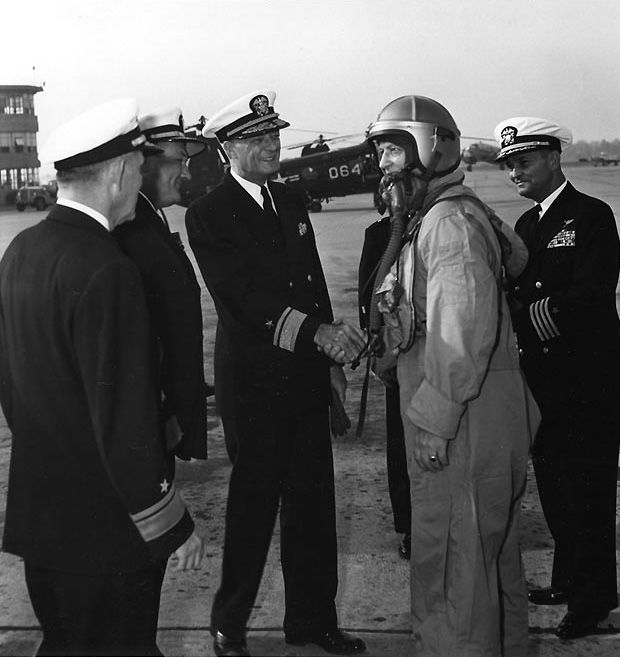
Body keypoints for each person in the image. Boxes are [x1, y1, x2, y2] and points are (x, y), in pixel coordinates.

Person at [0, 99, 204, 657]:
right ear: (117, 173)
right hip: (107, 529)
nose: (142, 176)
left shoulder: (22, 250)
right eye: (139, 166)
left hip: (44, 522)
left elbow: (13, 388)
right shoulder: (108, 269)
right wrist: (168, 521)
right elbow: (124, 418)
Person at [185, 89, 367, 657]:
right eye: (257, 139)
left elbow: (311, 285)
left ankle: (313, 621)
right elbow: (242, 299)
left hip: (306, 378)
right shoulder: (207, 213)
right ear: (227, 147)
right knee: (253, 509)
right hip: (257, 385)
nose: (272, 146)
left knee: (314, 505)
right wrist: (318, 335)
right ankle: (229, 624)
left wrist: (330, 361)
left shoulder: (289, 199)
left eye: (274, 135)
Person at [366, 95, 538, 657]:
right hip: (476, 414)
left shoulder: (448, 225)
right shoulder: (441, 217)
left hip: (462, 420)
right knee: (487, 565)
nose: (384, 164)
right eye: (381, 152)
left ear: (431, 146)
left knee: (455, 569)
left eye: (393, 148)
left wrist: (436, 423)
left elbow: (459, 333)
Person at [494, 116, 620, 640]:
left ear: (553, 157)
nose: (514, 173)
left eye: (523, 161)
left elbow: (590, 295)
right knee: (555, 487)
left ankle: (593, 602)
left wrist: (522, 319)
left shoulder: (591, 215)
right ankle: (569, 579)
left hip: (587, 379)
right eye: (509, 166)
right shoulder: (526, 225)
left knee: (589, 493)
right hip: (543, 380)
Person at [114, 106, 209, 464]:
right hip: (148, 421)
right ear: (145, 163)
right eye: (178, 161)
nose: (187, 173)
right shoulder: (130, 229)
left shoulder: (150, 219)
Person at [358, 218, 411, 559]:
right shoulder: (381, 234)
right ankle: (411, 525)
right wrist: (379, 353)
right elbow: (368, 296)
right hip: (400, 359)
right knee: (403, 445)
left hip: (447, 354)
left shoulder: (450, 220)